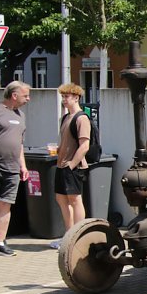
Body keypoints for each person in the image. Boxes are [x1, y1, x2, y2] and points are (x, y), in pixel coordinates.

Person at [0, 81, 31, 256]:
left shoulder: (21, 116)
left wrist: (23, 166)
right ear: (14, 95)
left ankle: (0, 243)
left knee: (5, 204)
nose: (28, 99)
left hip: (12, 168)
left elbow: (19, 144)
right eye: (26, 95)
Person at [51, 83, 90, 249]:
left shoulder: (81, 118)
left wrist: (72, 164)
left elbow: (85, 145)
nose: (64, 100)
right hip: (62, 164)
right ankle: (68, 235)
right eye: (63, 97)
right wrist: (58, 151)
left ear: (76, 97)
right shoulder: (66, 118)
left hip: (72, 166)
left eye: (67, 96)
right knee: (61, 198)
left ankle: (77, 236)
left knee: (75, 199)